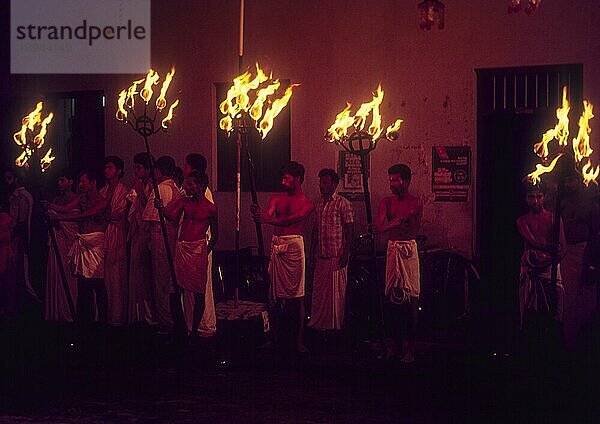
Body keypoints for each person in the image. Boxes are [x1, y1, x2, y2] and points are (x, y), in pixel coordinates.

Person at [252, 161, 314, 353]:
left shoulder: (307, 203)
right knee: (274, 295)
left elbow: (293, 219)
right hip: (277, 243)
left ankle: (298, 340)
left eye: (287, 178)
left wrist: (267, 219)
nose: (283, 181)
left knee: (298, 297)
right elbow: (268, 214)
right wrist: (259, 214)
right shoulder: (276, 199)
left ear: (298, 179)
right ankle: (274, 337)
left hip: (294, 246)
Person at [162, 171, 218, 344]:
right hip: (183, 247)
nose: (189, 187)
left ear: (201, 185)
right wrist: (161, 208)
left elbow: (215, 234)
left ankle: (194, 329)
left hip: (198, 248)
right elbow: (172, 218)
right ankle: (180, 325)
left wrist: (205, 250)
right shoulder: (184, 202)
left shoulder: (210, 207)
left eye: (192, 184)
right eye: (188, 184)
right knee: (176, 288)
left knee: (198, 291)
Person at [374, 163, 423, 363]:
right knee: (392, 299)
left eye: (396, 180)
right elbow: (378, 227)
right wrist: (392, 224)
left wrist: (391, 224)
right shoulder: (386, 202)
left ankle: (410, 349)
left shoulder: (416, 202)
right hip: (393, 249)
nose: (392, 184)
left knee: (410, 299)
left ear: (407, 181)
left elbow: (410, 221)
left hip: (408, 250)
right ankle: (394, 346)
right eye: (390, 180)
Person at [53, 169, 109, 325]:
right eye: (81, 181)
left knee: (97, 283)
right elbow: (66, 208)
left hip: (95, 243)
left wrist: (60, 217)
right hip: (83, 242)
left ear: (93, 183)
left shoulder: (102, 201)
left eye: (84, 181)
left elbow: (87, 214)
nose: (81, 184)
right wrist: (50, 206)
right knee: (83, 283)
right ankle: (85, 320)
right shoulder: (81, 199)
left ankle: (102, 322)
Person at [516, 181, 565, 350]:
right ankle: (529, 345)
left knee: (556, 305)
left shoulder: (554, 218)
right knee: (530, 308)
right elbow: (533, 242)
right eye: (531, 197)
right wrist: (547, 250)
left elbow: (562, 247)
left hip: (550, 267)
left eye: (538, 196)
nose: (535, 201)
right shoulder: (522, 220)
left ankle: (553, 345)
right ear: (525, 199)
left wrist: (551, 257)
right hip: (531, 267)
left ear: (544, 197)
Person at [142, 155, 184, 335]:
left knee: (161, 283)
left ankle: (165, 322)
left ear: (158, 171)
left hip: (161, 236)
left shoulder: (161, 189)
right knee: (168, 282)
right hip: (172, 237)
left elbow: (150, 217)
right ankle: (170, 319)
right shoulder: (175, 187)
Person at [308, 168, 354, 331]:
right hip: (321, 255)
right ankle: (319, 326)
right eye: (321, 182)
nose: (322, 186)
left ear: (334, 185)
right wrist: (312, 253)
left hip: (337, 255)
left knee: (336, 295)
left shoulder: (343, 202)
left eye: (326, 182)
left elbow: (349, 229)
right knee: (320, 294)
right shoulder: (318, 203)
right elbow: (315, 230)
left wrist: (346, 252)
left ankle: (335, 328)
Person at [559, 172, 599, 349]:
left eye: (571, 180)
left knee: (586, 299)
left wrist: (591, 262)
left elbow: (596, 234)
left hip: (584, 252)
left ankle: (582, 342)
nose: (568, 183)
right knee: (568, 298)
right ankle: (567, 340)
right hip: (566, 253)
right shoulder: (563, 202)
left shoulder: (591, 204)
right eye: (566, 180)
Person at [182, 153, 217, 336]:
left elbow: (210, 225)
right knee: (188, 289)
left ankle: (204, 324)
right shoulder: (187, 196)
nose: (184, 169)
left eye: (186, 166)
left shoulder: (205, 195)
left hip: (201, 247)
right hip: (188, 249)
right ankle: (190, 324)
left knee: (202, 289)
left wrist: (204, 249)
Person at [44, 170, 80, 322]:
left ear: (71, 182)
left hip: (69, 243)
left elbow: (70, 216)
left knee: (68, 274)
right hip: (57, 241)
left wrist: (55, 214)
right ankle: (56, 310)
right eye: (58, 180)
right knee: (56, 273)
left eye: (62, 180)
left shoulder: (76, 199)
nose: (59, 183)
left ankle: (69, 310)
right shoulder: (57, 199)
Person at [126, 152, 155, 325]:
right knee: (138, 274)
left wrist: (138, 191)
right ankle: (141, 314)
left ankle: (150, 315)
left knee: (147, 274)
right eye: (134, 167)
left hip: (148, 233)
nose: (136, 171)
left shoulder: (151, 185)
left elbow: (147, 208)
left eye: (139, 168)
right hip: (138, 231)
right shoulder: (140, 183)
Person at [100, 156, 129, 326]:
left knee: (116, 274)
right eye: (105, 168)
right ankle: (105, 314)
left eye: (110, 168)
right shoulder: (103, 191)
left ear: (118, 171)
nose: (106, 171)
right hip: (104, 233)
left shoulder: (123, 191)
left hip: (117, 234)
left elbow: (119, 215)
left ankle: (117, 316)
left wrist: (106, 215)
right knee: (104, 275)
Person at [4, 167, 38, 303]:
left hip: (19, 237)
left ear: (16, 179)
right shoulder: (16, 195)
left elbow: (20, 220)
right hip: (17, 236)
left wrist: (12, 235)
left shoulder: (22, 196)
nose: (6, 182)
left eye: (9, 178)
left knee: (20, 269)